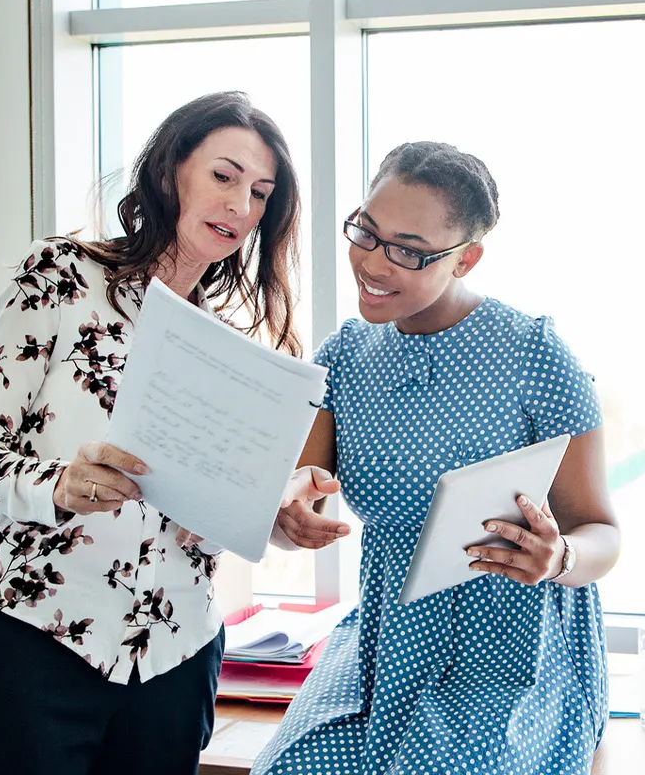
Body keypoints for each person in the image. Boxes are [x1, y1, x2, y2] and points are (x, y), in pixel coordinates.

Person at [0, 91, 305, 774]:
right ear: (170, 173)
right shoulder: (61, 277)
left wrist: (275, 513)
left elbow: (213, 504)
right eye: (224, 177)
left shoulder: (233, 345)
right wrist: (61, 484)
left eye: (260, 193)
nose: (241, 206)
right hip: (34, 638)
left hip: (175, 656)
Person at [254, 141, 622, 775]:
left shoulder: (534, 354)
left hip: (513, 649)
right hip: (384, 641)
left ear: (467, 258)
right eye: (366, 232)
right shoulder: (344, 357)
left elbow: (603, 534)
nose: (374, 262)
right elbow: (293, 508)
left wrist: (557, 556)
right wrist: (289, 522)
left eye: (409, 251)